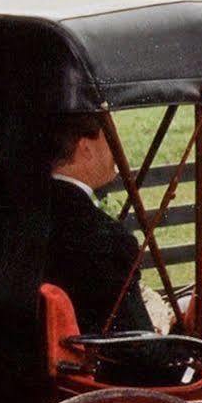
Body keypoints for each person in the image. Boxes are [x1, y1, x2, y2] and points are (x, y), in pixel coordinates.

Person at [45, 114, 151, 332]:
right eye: (109, 138)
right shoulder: (109, 239)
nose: (117, 149)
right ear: (85, 148)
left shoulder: (17, 215)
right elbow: (139, 347)